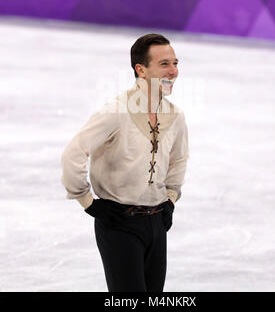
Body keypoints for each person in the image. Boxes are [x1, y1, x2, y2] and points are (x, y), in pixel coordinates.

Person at [61, 33, 189, 292]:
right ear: (140, 69)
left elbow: (178, 160)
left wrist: (171, 198)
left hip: (157, 222)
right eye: (164, 64)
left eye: (175, 63)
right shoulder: (116, 112)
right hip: (119, 223)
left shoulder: (175, 116)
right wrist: (88, 203)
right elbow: (73, 154)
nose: (174, 71)